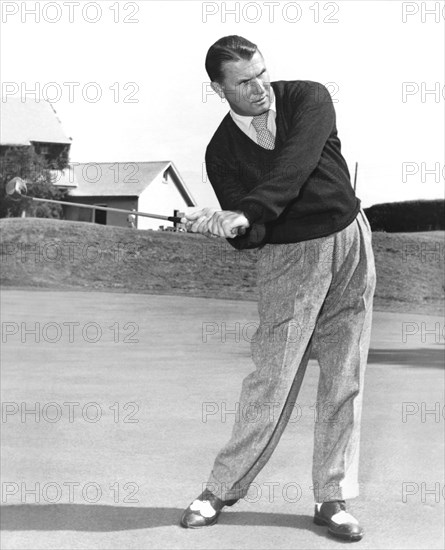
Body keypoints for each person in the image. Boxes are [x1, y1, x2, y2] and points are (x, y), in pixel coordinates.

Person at [180, 35, 376, 542]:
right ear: (218, 90)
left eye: (261, 73)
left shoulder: (307, 98)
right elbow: (255, 237)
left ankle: (330, 498)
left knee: (344, 375)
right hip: (289, 259)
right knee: (272, 379)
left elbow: (295, 166)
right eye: (243, 83)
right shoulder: (220, 152)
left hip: (351, 241)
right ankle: (220, 489)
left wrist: (249, 210)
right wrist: (227, 225)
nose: (259, 87)